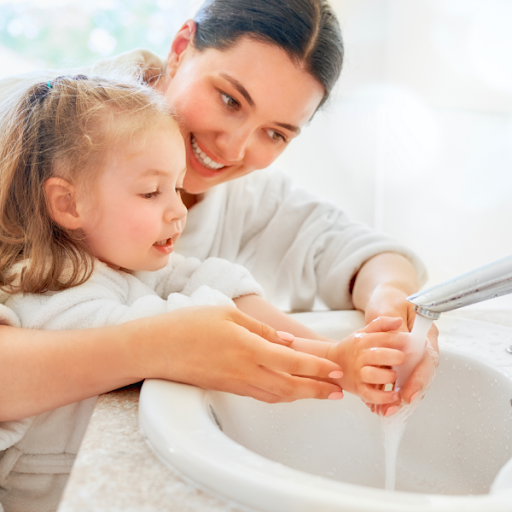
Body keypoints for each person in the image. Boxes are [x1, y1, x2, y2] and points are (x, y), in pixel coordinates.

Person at [0, 0, 438, 425]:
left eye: (274, 133)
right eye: (230, 100)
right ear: (180, 48)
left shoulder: (248, 200)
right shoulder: (25, 144)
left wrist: (388, 315)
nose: (233, 148)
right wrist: (155, 346)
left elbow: (359, 253)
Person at [0, 73, 410, 511]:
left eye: (176, 188)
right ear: (68, 203)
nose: (178, 210)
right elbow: (174, 332)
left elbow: (217, 285)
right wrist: (327, 364)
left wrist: (335, 357)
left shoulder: (126, 261)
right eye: (151, 192)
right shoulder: (46, 290)